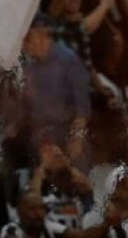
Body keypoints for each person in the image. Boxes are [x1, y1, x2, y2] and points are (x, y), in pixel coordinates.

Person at [21, 13, 91, 158]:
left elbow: (82, 107)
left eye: (27, 39)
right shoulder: (31, 67)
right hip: (43, 139)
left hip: (68, 135)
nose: (24, 46)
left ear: (41, 35)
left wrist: (77, 139)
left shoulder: (67, 59)